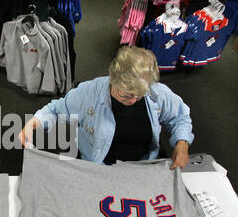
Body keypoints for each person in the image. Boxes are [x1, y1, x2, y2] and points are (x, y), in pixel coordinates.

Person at [19, 46, 193, 169]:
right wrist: (32, 124)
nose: (133, 100)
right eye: (126, 95)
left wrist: (182, 143)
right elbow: (55, 110)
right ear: (113, 80)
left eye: (139, 95)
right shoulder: (89, 92)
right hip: (99, 165)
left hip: (143, 165)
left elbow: (180, 118)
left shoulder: (157, 93)